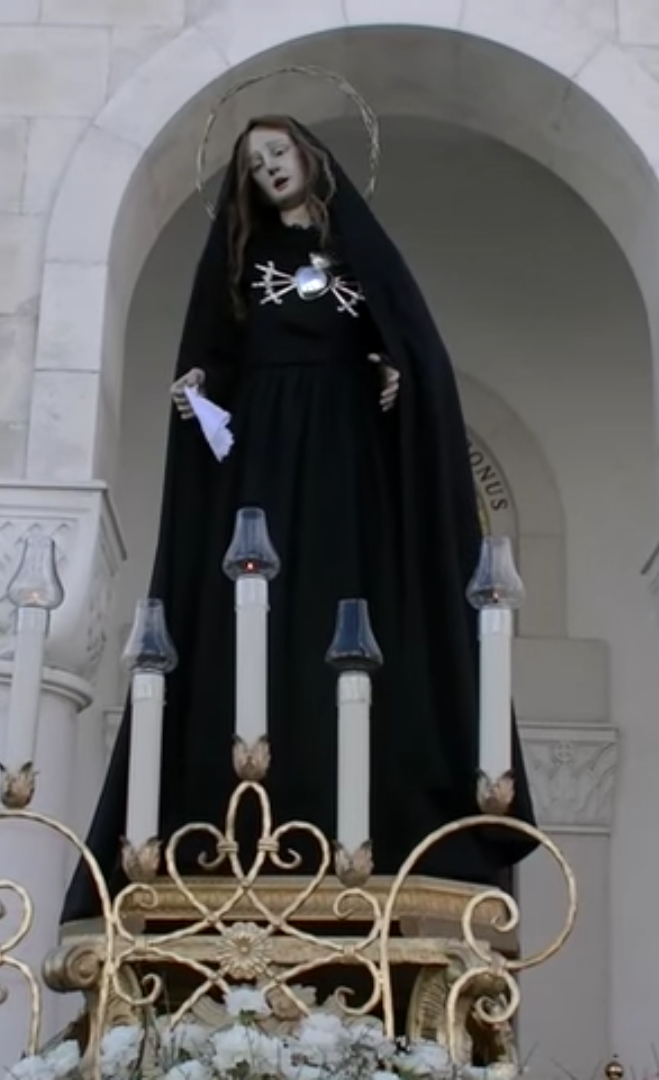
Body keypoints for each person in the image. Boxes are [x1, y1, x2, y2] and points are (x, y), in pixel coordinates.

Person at [64, 113, 537, 920]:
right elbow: (212, 350)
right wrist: (199, 388)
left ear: (309, 157)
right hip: (266, 450)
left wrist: (395, 377)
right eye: (255, 162)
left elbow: (407, 343)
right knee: (263, 596)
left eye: (278, 152)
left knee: (343, 600)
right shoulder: (241, 259)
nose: (270, 168)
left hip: (349, 457)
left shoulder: (361, 253)